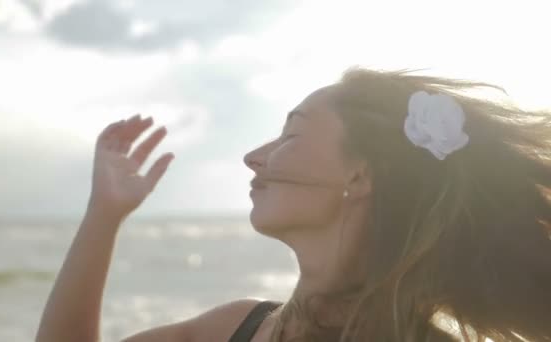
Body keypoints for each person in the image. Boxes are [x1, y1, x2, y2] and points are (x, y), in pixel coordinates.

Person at [36, 66, 551, 342]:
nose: (253, 158)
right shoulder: (235, 328)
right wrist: (104, 214)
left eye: (289, 135)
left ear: (361, 173)